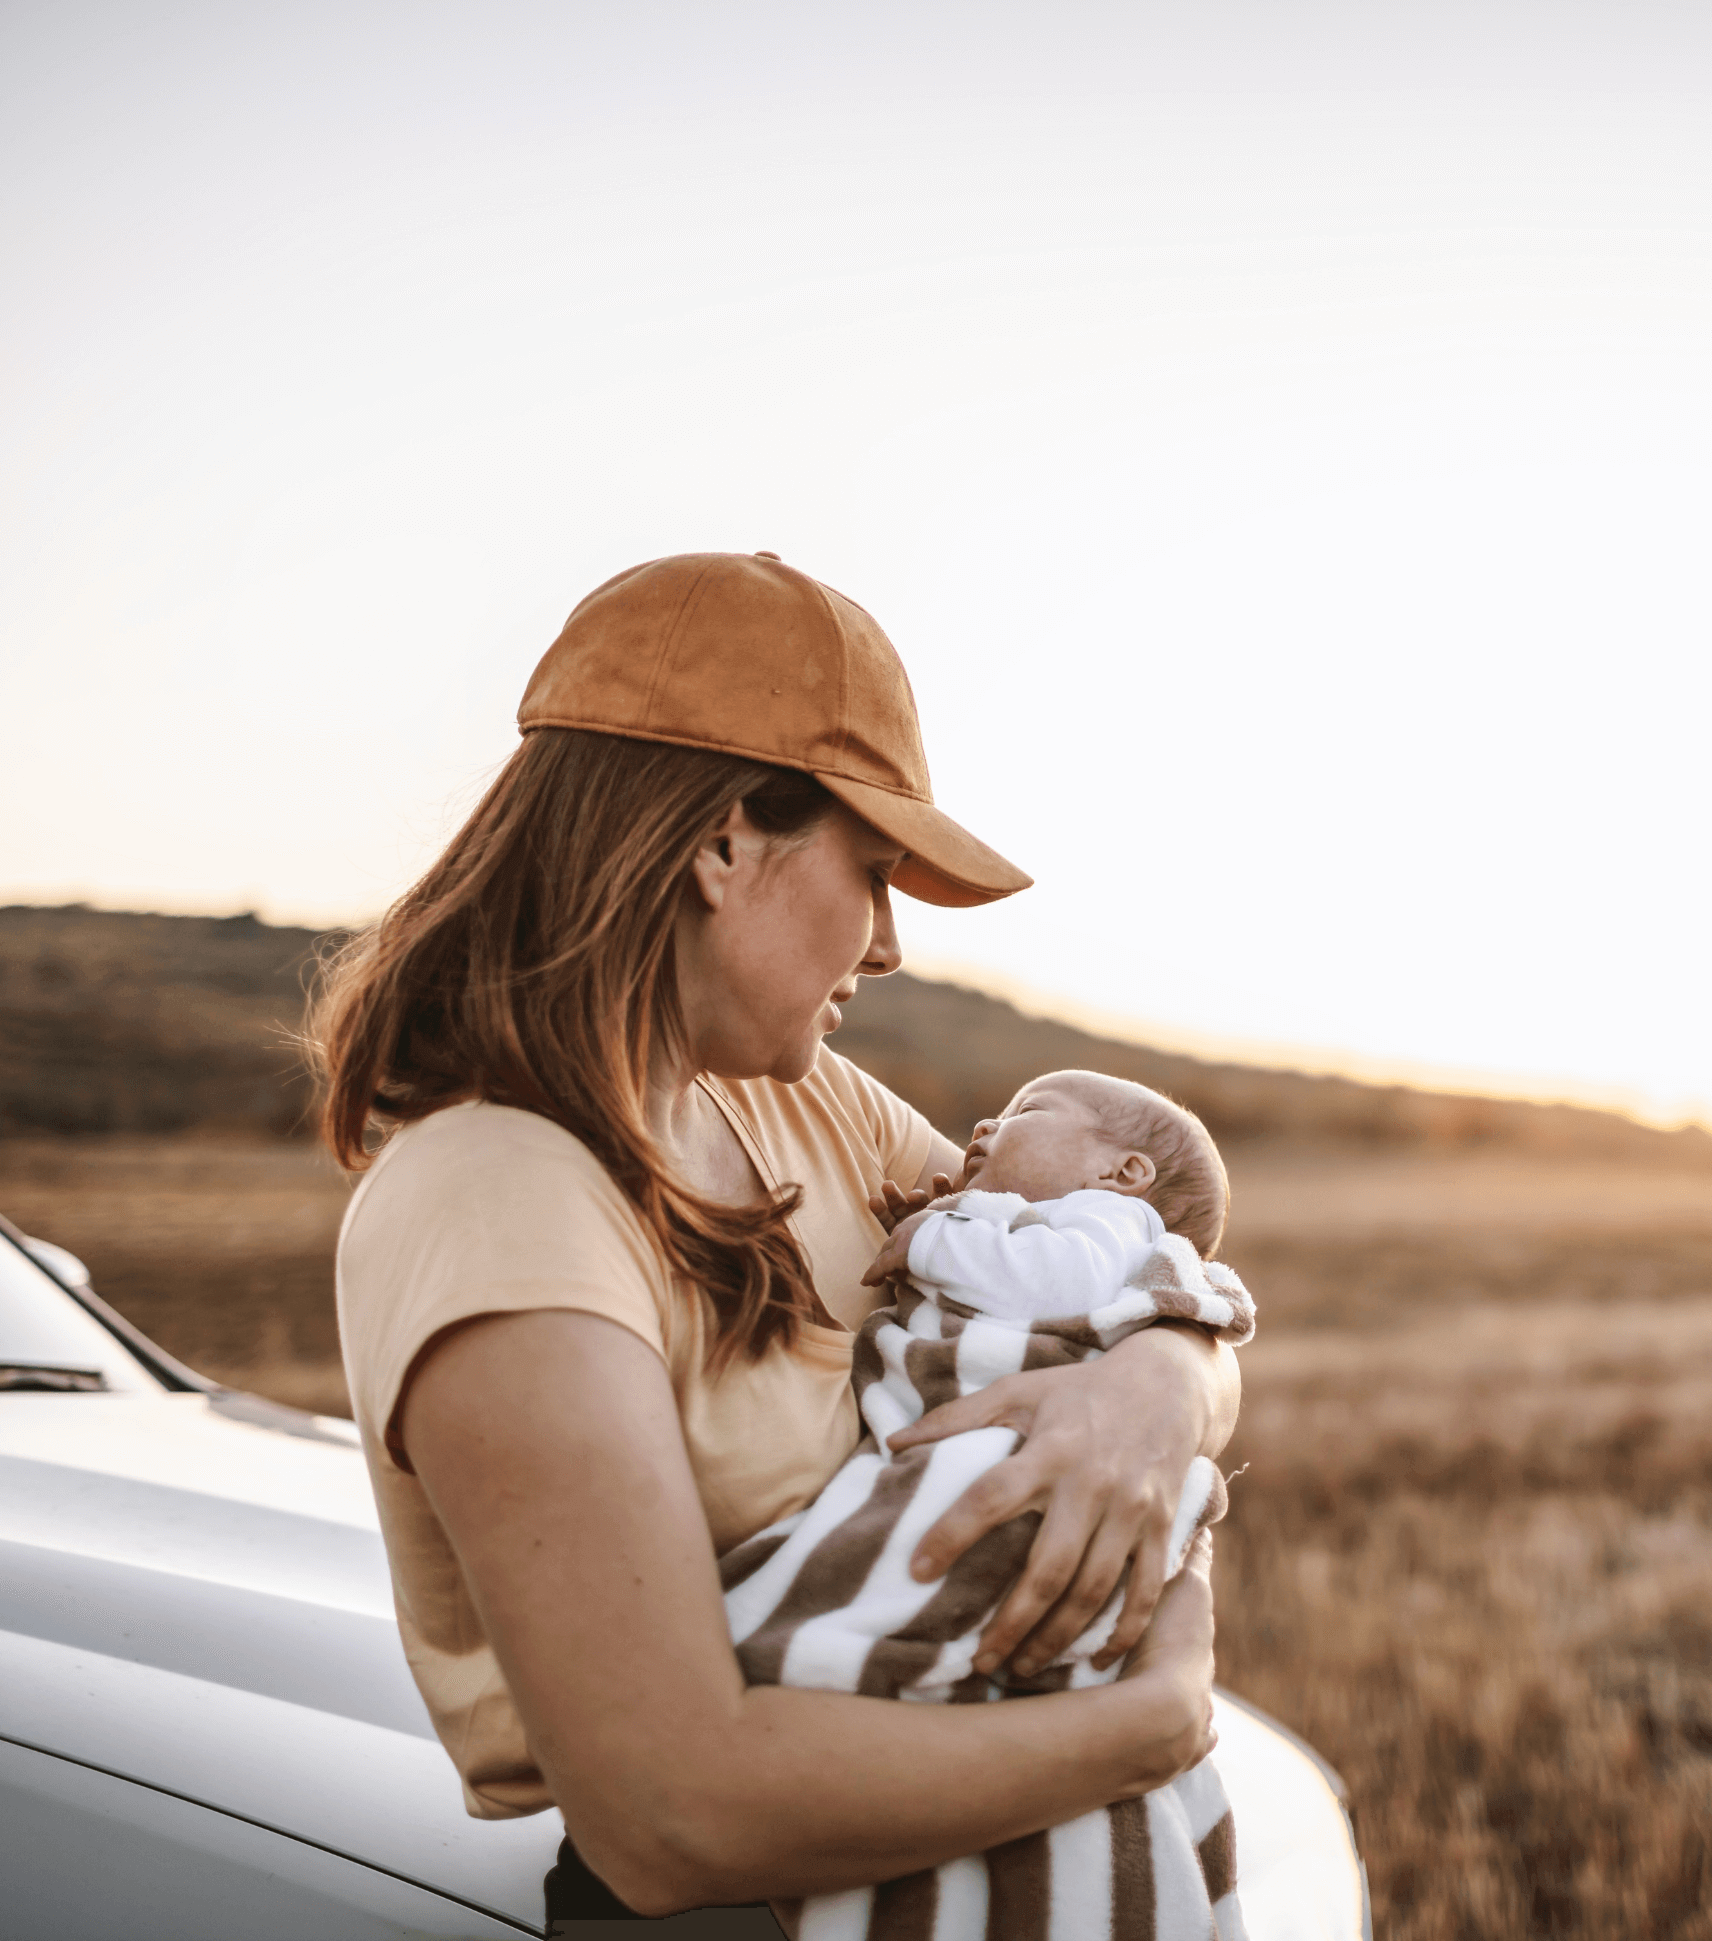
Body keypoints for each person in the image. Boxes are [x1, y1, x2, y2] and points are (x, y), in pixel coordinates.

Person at [320, 552, 1242, 1929]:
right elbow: (676, 1819)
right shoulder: (495, 1200)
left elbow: (1114, 1262)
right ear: (721, 841)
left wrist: (1167, 1383)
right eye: (873, 874)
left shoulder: (801, 1101)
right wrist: (1156, 1731)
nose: (888, 948)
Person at [724, 1070, 1254, 1940]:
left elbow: (1065, 1287)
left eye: (1025, 1113)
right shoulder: (1032, 1210)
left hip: (1008, 1459)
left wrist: (932, 1237)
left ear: (1125, 1175)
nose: (984, 1124)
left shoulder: (1106, 1225)